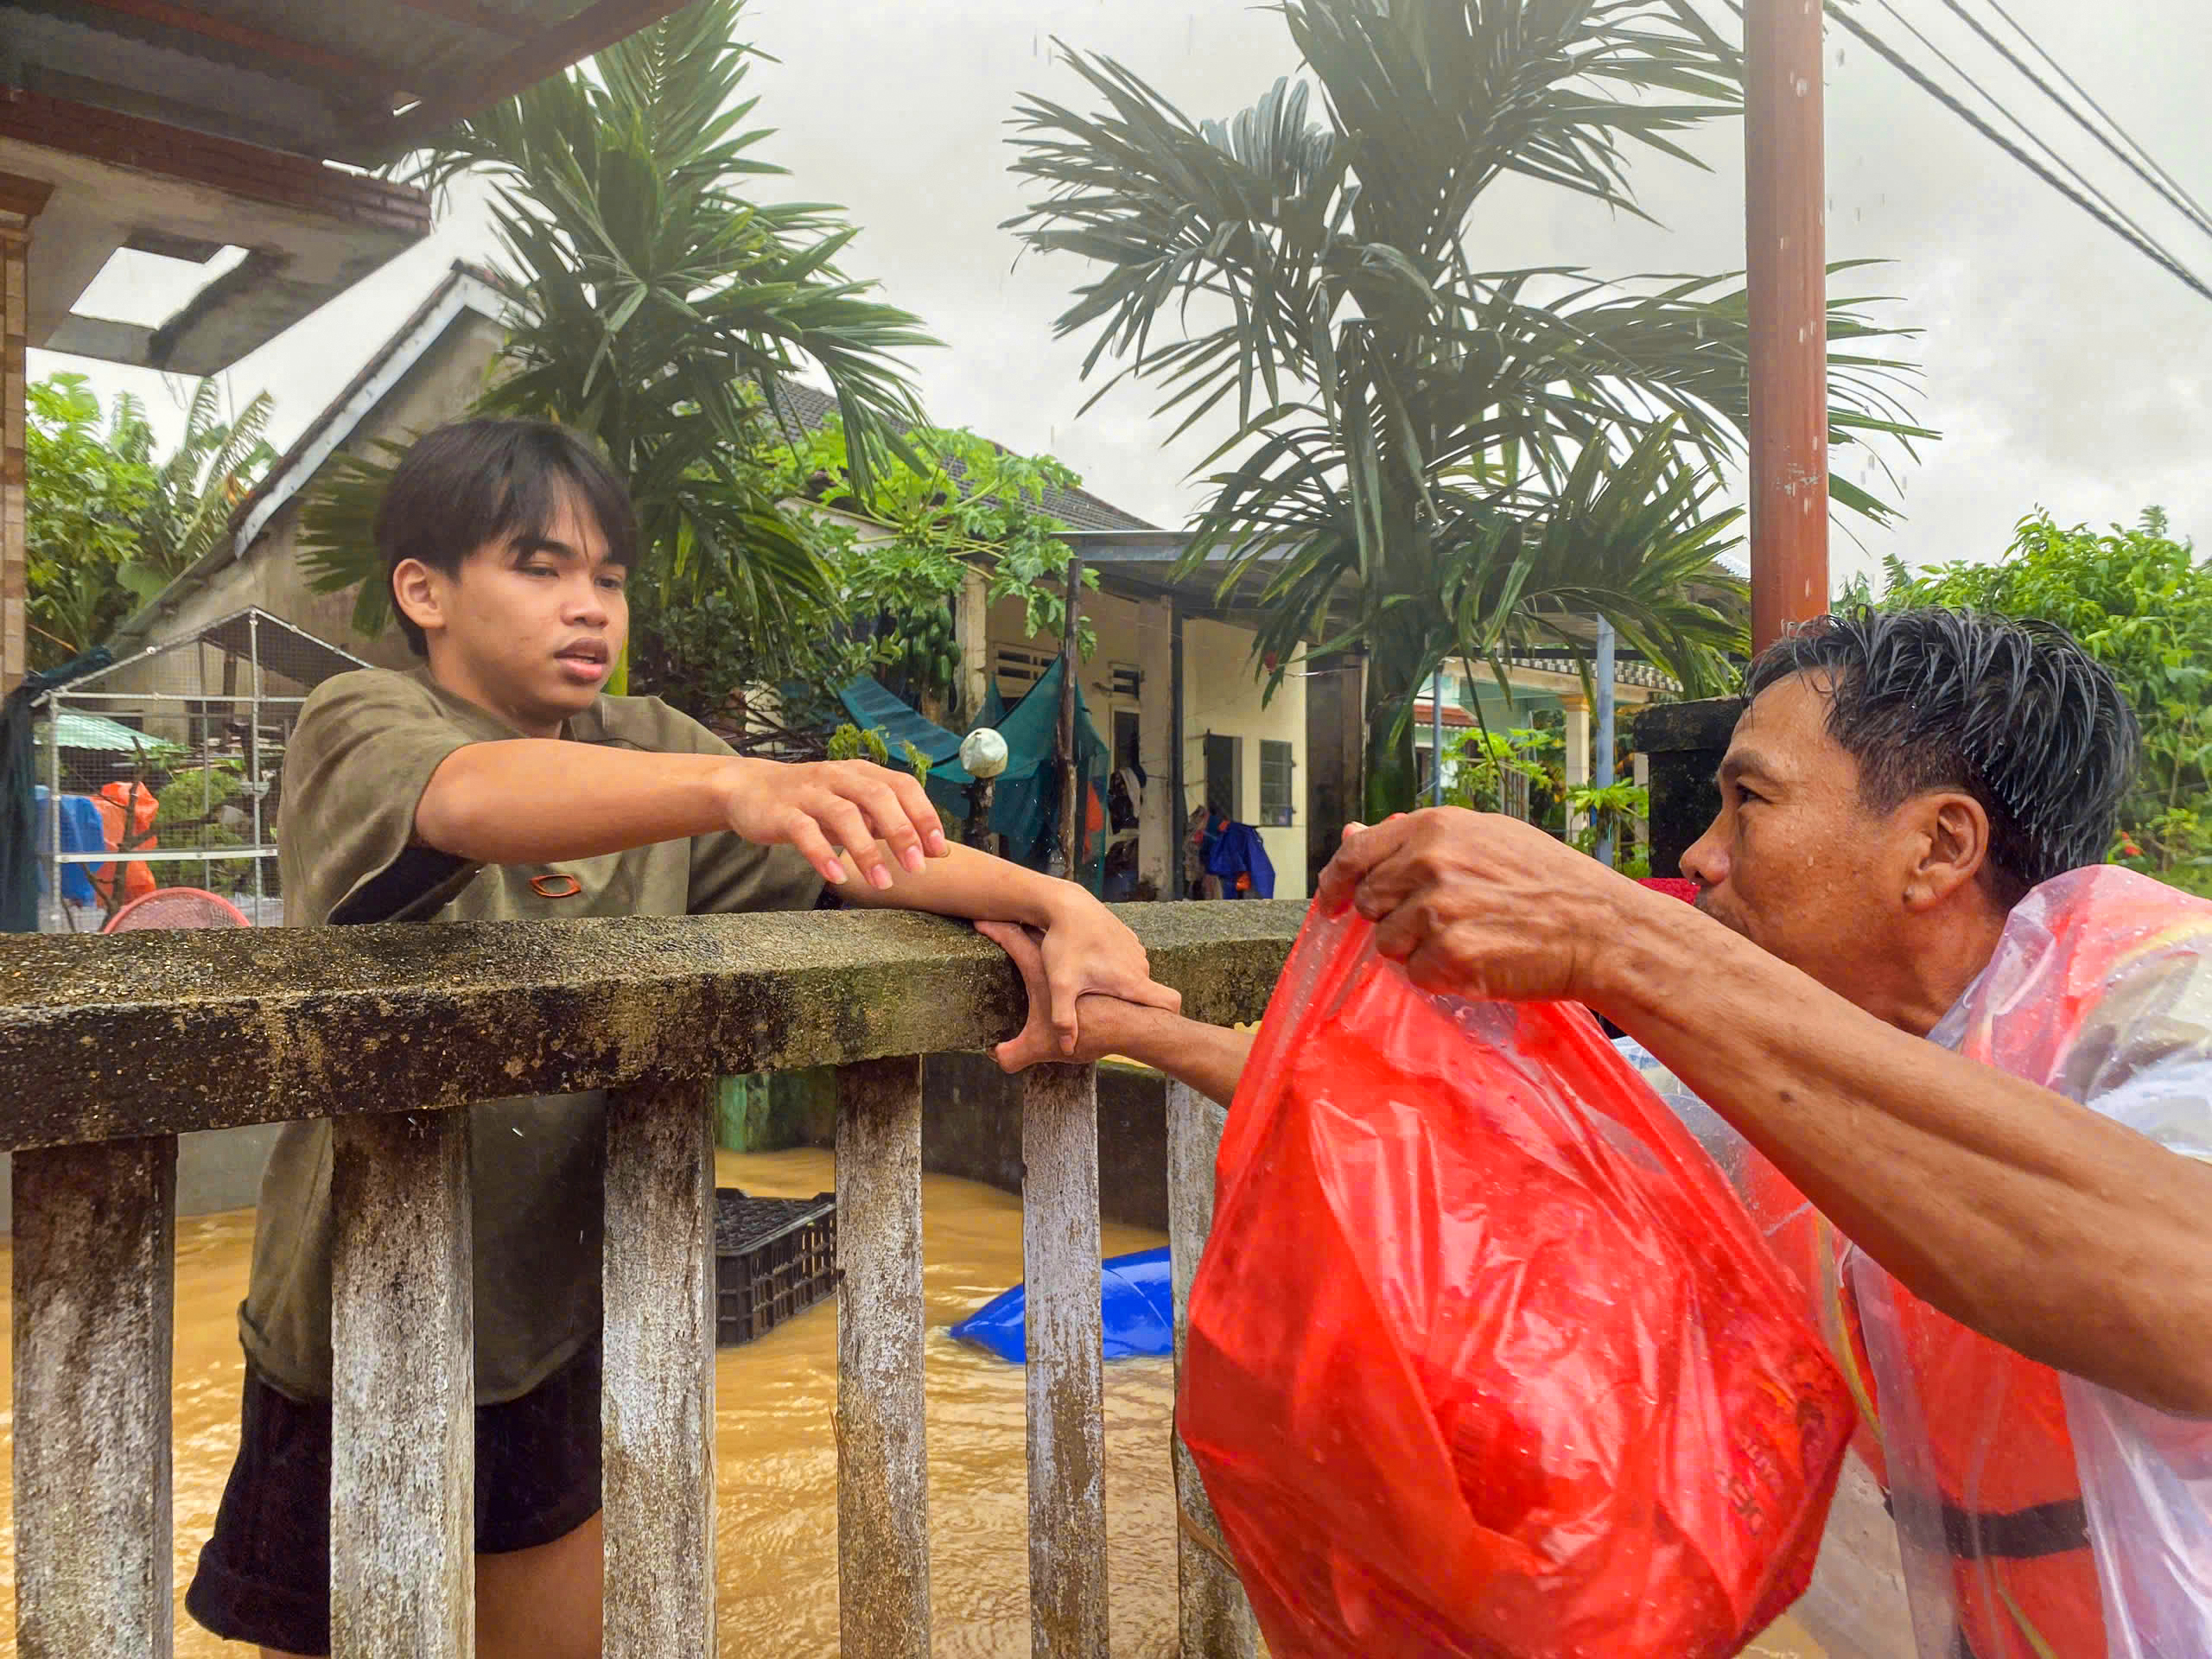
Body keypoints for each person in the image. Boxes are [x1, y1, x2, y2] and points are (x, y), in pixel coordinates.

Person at [982, 607, 2212, 1659]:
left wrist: (1620, 938)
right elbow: (1445, 1137)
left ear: (1939, 845)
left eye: (1748, 802)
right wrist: (1137, 1029)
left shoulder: (2167, 1001)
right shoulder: (1783, 1071)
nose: (1699, 855)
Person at [183, 418, 1180, 1659]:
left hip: (552, 1316)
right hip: (356, 1320)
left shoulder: (645, 745)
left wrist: (1057, 903)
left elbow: (866, 863)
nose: (587, 607)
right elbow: (467, 800)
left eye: (607, 578)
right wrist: (738, 786)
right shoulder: (365, 716)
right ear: (423, 591)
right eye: (539, 568)